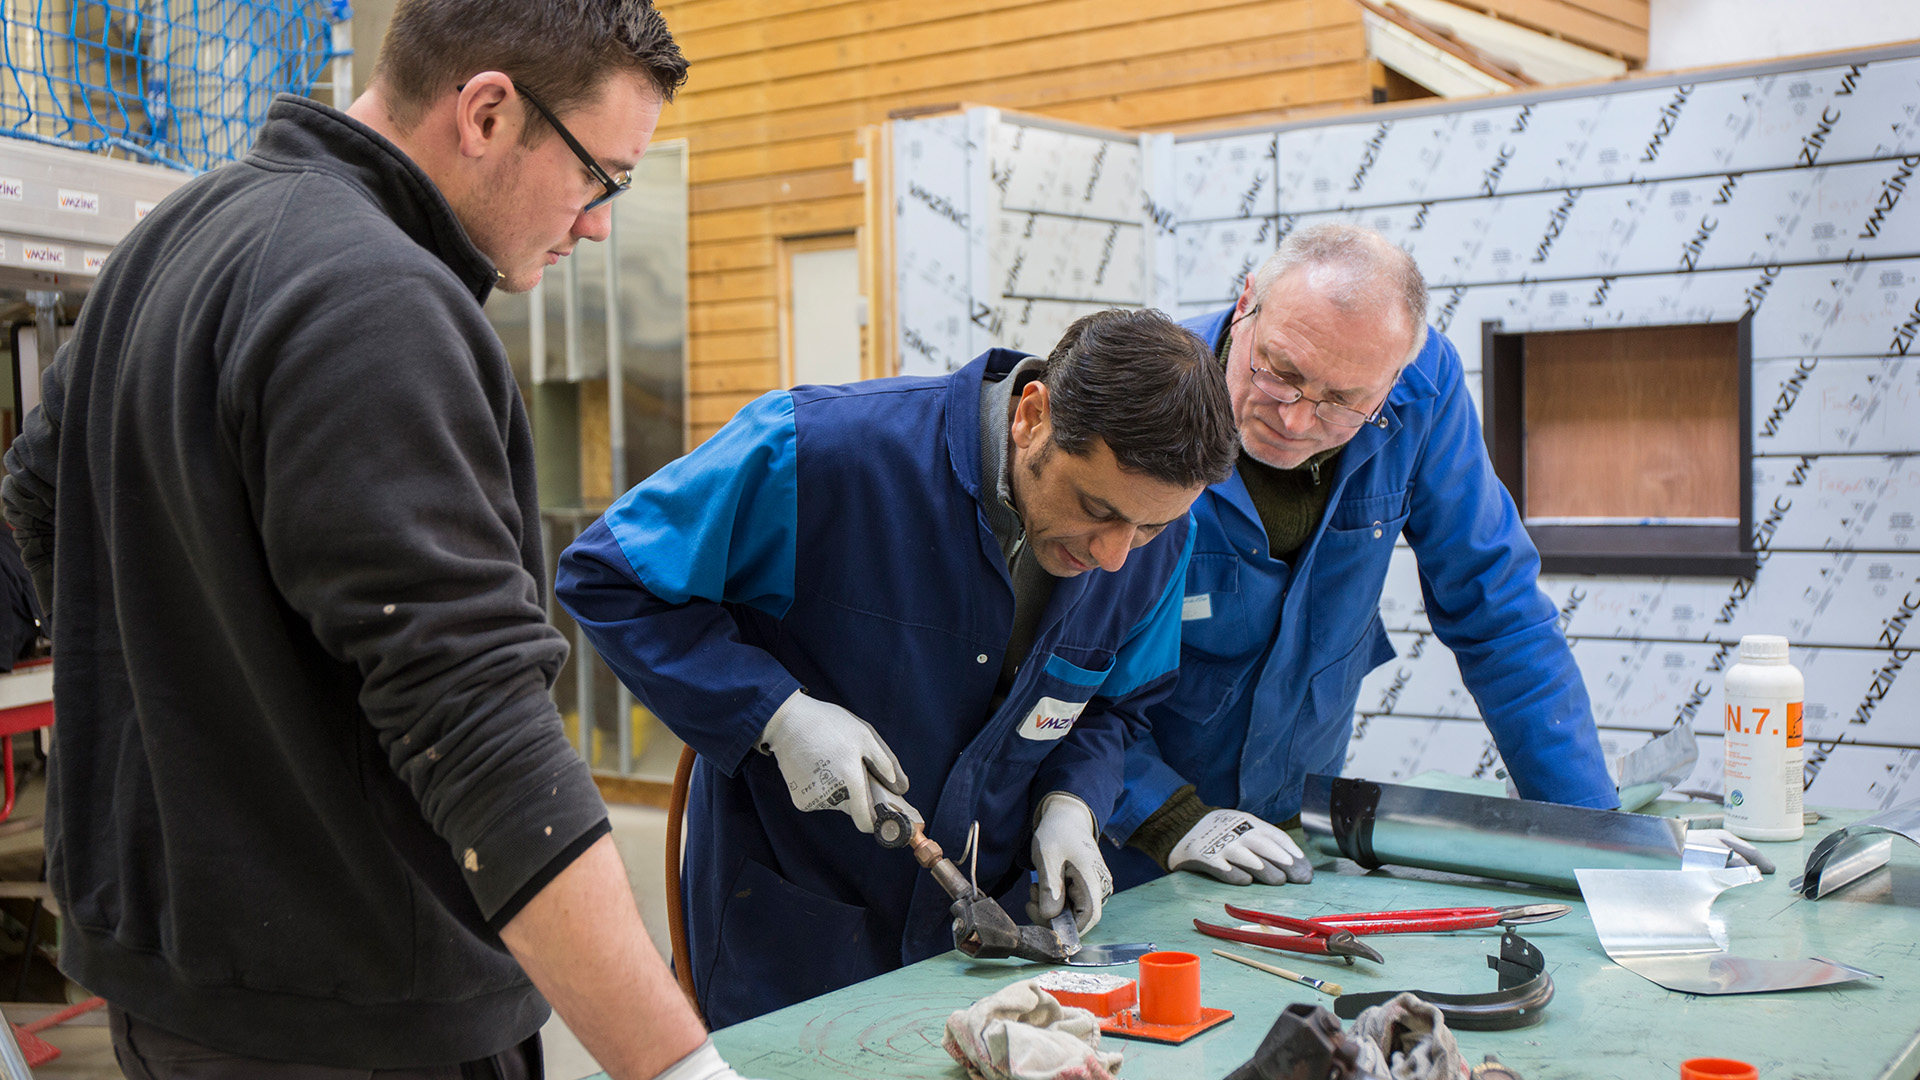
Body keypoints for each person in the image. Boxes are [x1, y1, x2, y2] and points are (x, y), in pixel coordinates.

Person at [1, 2, 752, 1077]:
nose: (597, 224)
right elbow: (478, 728)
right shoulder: (374, 298)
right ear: (488, 112)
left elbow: (37, 496)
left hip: (177, 986)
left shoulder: (174, 238)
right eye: (600, 176)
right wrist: (676, 1065)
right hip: (363, 1011)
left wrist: (193, 718)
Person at [557, 308, 1238, 1026]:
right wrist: (776, 714)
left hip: (981, 955)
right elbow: (610, 577)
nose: (1115, 555)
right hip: (794, 941)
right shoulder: (821, 452)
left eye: (1150, 526)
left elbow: (1115, 706)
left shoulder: (1158, 542)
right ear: (1032, 416)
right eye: (1095, 507)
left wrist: (1075, 801)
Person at [1106, 224, 1618, 892]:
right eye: (1280, 372)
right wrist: (1165, 816)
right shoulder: (1150, 395)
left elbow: (1499, 613)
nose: (1294, 420)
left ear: (1395, 376)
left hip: (1290, 837)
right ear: (1247, 304)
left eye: (1345, 402)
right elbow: (1062, 667)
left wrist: (1593, 840)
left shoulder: (1423, 390)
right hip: (1127, 835)